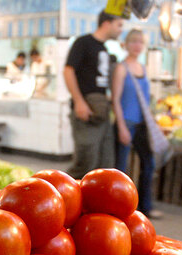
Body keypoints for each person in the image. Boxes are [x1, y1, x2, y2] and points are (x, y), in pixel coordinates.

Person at [64, 10, 124, 179]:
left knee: (104, 165)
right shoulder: (83, 43)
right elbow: (68, 71)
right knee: (84, 163)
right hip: (86, 112)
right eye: (119, 25)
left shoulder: (104, 48)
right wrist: (78, 102)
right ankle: (61, 195)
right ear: (106, 23)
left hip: (102, 113)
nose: (121, 30)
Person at [112, 29, 157, 217]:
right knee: (121, 170)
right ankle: (120, 210)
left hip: (141, 124)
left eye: (140, 42)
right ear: (126, 44)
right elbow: (115, 99)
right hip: (126, 122)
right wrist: (121, 126)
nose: (137, 46)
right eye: (133, 42)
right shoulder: (121, 68)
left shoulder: (143, 68)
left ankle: (145, 207)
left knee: (149, 163)